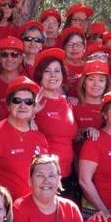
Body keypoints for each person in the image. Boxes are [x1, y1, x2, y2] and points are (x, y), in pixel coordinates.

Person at [0, 76, 49, 199]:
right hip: (7, 213)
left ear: (33, 107)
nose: (23, 105)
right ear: (8, 105)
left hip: (34, 209)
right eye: (17, 100)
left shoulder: (39, 137)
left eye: (28, 102)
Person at [33, 48, 78, 190]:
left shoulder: (66, 102)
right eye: (47, 71)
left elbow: (71, 136)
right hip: (45, 178)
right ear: (40, 74)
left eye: (57, 70)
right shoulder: (33, 101)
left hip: (67, 175)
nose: (53, 75)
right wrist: (31, 115)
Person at [72, 60, 110, 144]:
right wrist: (85, 132)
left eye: (101, 80)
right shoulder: (73, 106)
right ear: (84, 83)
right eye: (91, 79)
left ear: (106, 84)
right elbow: (70, 136)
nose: (96, 84)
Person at [0, 37, 26, 108]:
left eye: (14, 54)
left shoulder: (27, 83)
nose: (9, 59)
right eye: (4, 54)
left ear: (20, 59)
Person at [58, 27, 87, 95]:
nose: (74, 48)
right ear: (64, 47)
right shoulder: (58, 66)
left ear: (84, 47)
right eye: (70, 45)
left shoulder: (90, 66)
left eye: (78, 45)